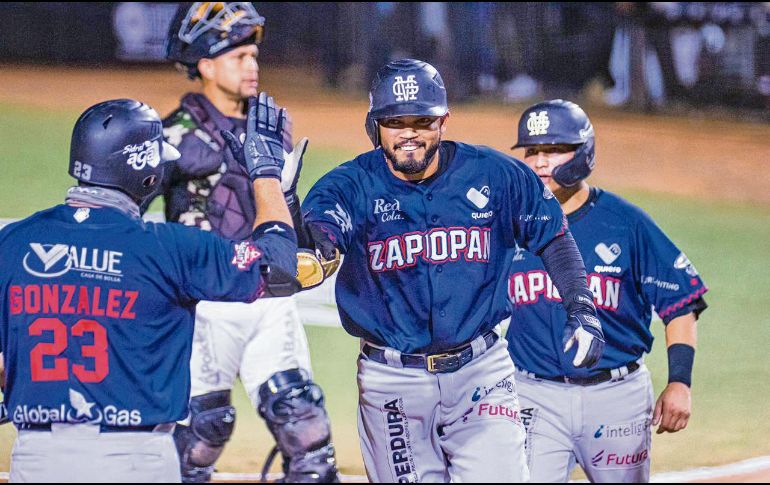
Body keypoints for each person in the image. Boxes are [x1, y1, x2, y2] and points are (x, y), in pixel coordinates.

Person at [300, 58, 606, 483]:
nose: (409, 133)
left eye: (422, 121)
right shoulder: (349, 185)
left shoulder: (496, 175)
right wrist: (308, 238)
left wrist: (582, 308)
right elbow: (323, 231)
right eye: (395, 121)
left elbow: (552, 237)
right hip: (392, 383)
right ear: (375, 126)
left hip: (481, 374)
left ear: (444, 120)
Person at [0, 95, 300, 482]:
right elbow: (276, 266)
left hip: (37, 458)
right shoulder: (171, 248)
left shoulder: (14, 242)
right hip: (134, 460)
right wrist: (266, 175)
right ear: (145, 174)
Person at [162, 3, 339, 482]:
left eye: (254, 55)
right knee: (198, 438)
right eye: (240, 56)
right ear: (205, 64)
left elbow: (286, 216)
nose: (253, 66)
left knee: (307, 431)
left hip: (268, 298)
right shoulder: (172, 135)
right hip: (201, 305)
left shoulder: (271, 127)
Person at [506, 99, 708, 483]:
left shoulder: (625, 222)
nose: (541, 162)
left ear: (583, 153)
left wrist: (680, 380)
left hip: (617, 400)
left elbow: (680, 301)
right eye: (532, 151)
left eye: (554, 149)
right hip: (533, 397)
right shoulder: (509, 222)